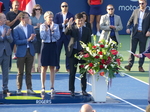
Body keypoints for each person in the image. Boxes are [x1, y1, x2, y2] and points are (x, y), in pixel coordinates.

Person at [65, 13, 91, 96]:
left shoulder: (87, 30)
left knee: (83, 73)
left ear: (83, 20)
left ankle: (84, 90)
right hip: (73, 52)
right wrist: (68, 26)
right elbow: (66, 33)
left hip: (82, 53)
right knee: (72, 72)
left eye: (81, 20)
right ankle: (71, 90)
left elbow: (88, 42)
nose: (80, 22)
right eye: (78, 20)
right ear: (75, 21)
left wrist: (84, 51)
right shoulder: (72, 28)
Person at [13, 11, 36, 94]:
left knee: (29, 72)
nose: (28, 18)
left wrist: (33, 38)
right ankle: (19, 88)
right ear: (22, 19)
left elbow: (35, 40)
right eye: (26, 17)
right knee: (20, 72)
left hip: (30, 52)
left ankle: (29, 88)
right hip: (21, 52)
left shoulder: (31, 27)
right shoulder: (16, 29)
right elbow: (16, 41)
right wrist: (28, 40)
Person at [125, 0, 150, 72]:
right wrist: (128, 28)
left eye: (142, 3)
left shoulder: (149, 12)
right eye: (139, 3)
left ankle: (140, 66)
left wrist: (149, 31)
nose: (141, 5)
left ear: (146, 4)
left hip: (143, 34)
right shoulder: (135, 11)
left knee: (142, 51)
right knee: (132, 49)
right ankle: (130, 65)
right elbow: (130, 21)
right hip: (135, 34)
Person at [40, 11, 60, 94]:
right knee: (44, 67)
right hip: (45, 46)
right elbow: (42, 37)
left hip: (53, 46)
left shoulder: (56, 26)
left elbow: (58, 37)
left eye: (52, 17)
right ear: (45, 18)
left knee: (52, 67)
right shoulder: (42, 26)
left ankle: (52, 87)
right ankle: (43, 87)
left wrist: (52, 30)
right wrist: (46, 29)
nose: (51, 19)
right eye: (49, 17)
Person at [54, 2, 74, 73]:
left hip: (67, 36)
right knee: (57, 52)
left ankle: (68, 67)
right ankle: (57, 67)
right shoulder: (57, 15)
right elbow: (56, 26)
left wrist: (68, 25)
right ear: (60, 7)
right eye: (63, 6)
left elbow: (72, 26)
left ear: (68, 7)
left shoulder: (71, 15)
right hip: (59, 36)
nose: (64, 7)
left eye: (66, 6)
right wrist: (63, 24)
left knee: (68, 52)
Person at [6, 0, 22, 70]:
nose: (16, 7)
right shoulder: (9, 14)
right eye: (15, 5)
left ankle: (20, 67)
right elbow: (8, 24)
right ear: (12, 5)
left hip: (20, 33)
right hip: (11, 33)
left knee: (20, 51)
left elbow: (25, 23)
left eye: (18, 5)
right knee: (10, 50)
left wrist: (21, 19)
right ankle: (9, 67)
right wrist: (16, 19)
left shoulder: (21, 13)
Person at [0, 13, 13, 94]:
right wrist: (2, 36)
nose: (6, 20)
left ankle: (5, 88)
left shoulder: (7, 27)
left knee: (5, 72)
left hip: (6, 53)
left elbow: (11, 40)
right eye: (4, 18)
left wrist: (8, 35)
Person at [30, 4, 44, 73]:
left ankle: (39, 67)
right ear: (34, 10)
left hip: (41, 35)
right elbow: (29, 27)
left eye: (39, 9)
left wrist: (41, 26)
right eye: (36, 9)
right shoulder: (31, 17)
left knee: (40, 52)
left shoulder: (43, 17)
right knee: (33, 52)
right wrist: (36, 26)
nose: (37, 10)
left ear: (40, 10)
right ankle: (32, 67)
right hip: (34, 35)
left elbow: (46, 25)